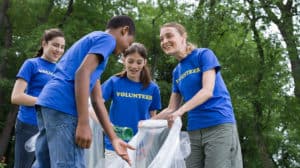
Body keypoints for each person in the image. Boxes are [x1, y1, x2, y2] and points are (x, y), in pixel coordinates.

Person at [33, 15, 136, 168]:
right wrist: (83, 122)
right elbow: (81, 73)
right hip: (64, 106)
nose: (127, 48)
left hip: (48, 104)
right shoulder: (107, 39)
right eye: (129, 42)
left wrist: (113, 138)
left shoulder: (94, 49)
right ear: (124, 30)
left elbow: (97, 100)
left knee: (45, 164)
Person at [155, 22, 243, 168]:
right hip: (194, 131)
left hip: (219, 125)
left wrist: (181, 111)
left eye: (169, 36)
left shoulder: (203, 55)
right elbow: (171, 108)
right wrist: (148, 122)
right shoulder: (177, 71)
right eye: (161, 39)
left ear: (183, 37)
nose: (164, 41)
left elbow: (207, 91)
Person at [11, 28, 65, 168]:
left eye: (62, 47)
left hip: (51, 128)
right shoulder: (32, 64)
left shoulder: (61, 71)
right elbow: (16, 97)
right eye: (55, 45)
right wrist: (46, 102)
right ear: (44, 44)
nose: (58, 50)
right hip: (29, 124)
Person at [101, 42, 162, 160]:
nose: (134, 66)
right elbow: (95, 104)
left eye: (139, 62)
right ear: (124, 60)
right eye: (130, 61)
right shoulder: (114, 82)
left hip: (140, 145)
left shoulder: (152, 88)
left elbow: (153, 119)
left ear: (144, 62)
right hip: (115, 144)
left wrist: (148, 145)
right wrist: (107, 125)